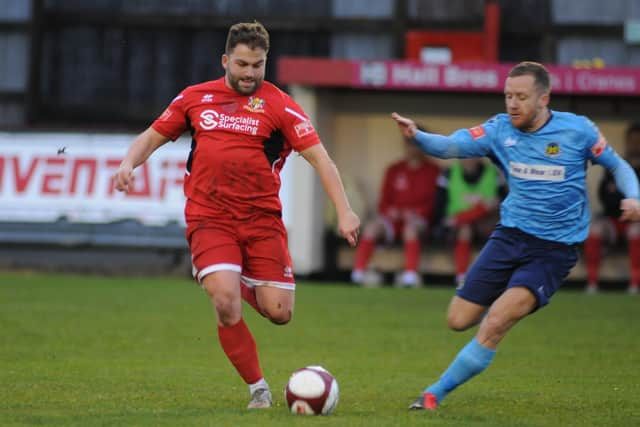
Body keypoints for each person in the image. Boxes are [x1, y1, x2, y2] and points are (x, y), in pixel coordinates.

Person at [113, 21, 360, 409]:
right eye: (243, 64)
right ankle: (258, 389)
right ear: (226, 60)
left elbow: (321, 159)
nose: (249, 73)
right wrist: (129, 162)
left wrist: (344, 212)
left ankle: (231, 276)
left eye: (258, 65)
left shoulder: (279, 104)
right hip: (210, 217)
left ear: (266, 63)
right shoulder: (195, 98)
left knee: (279, 313)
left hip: (262, 221)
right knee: (225, 302)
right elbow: (152, 135)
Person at [391, 61, 640, 411]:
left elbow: (618, 165)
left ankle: (434, 393)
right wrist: (418, 135)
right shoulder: (499, 131)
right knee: (457, 320)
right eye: (508, 96)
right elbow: (451, 145)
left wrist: (634, 196)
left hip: (553, 251)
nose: (512, 104)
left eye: (521, 97)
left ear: (544, 99)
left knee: (495, 321)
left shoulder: (578, 131)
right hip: (508, 239)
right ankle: (503, 308)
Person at [350, 134, 440, 287]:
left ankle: (410, 276)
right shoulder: (394, 169)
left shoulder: (433, 171)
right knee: (372, 227)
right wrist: (391, 212)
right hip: (393, 220)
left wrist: (415, 213)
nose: (412, 148)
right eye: (409, 144)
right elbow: (384, 201)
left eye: (416, 144)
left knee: (410, 229)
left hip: (418, 220)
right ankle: (358, 274)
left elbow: (435, 204)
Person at [584, 123, 640, 295]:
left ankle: (634, 285)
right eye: (632, 140)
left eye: (638, 141)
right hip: (613, 219)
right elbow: (605, 196)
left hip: (636, 221)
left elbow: (616, 196)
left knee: (636, 231)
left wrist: (620, 196)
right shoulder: (617, 167)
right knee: (595, 229)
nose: (635, 145)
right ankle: (592, 284)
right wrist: (620, 200)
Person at [432, 157, 505, 287]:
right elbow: (440, 209)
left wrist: (486, 208)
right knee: (465, 229)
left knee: (499, 230)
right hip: (455, 227)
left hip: (486, 223)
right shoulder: (449, 173)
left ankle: (499, 278)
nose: (469, 158)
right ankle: (462, 277)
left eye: (472, 154)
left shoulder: (492, 173)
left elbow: (503, 203)